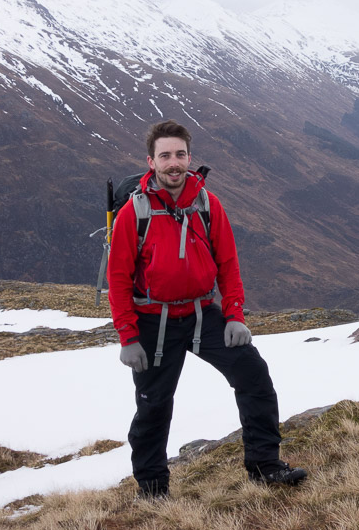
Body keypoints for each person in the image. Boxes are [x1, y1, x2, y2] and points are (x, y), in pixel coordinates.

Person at [107, 119, 308, 498]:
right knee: (153, 408)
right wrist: (128, 337)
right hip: (154, 324)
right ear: (151, 161)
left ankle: (265, 466)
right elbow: (118, 280)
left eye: (180, 154)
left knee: (253, 376)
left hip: (203, 316)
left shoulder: (207, 203)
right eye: (165, 155)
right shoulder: (135, 212)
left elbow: (228, 263)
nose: (173, 163)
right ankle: (152, 491)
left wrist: (234, 315)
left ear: (189, 157)